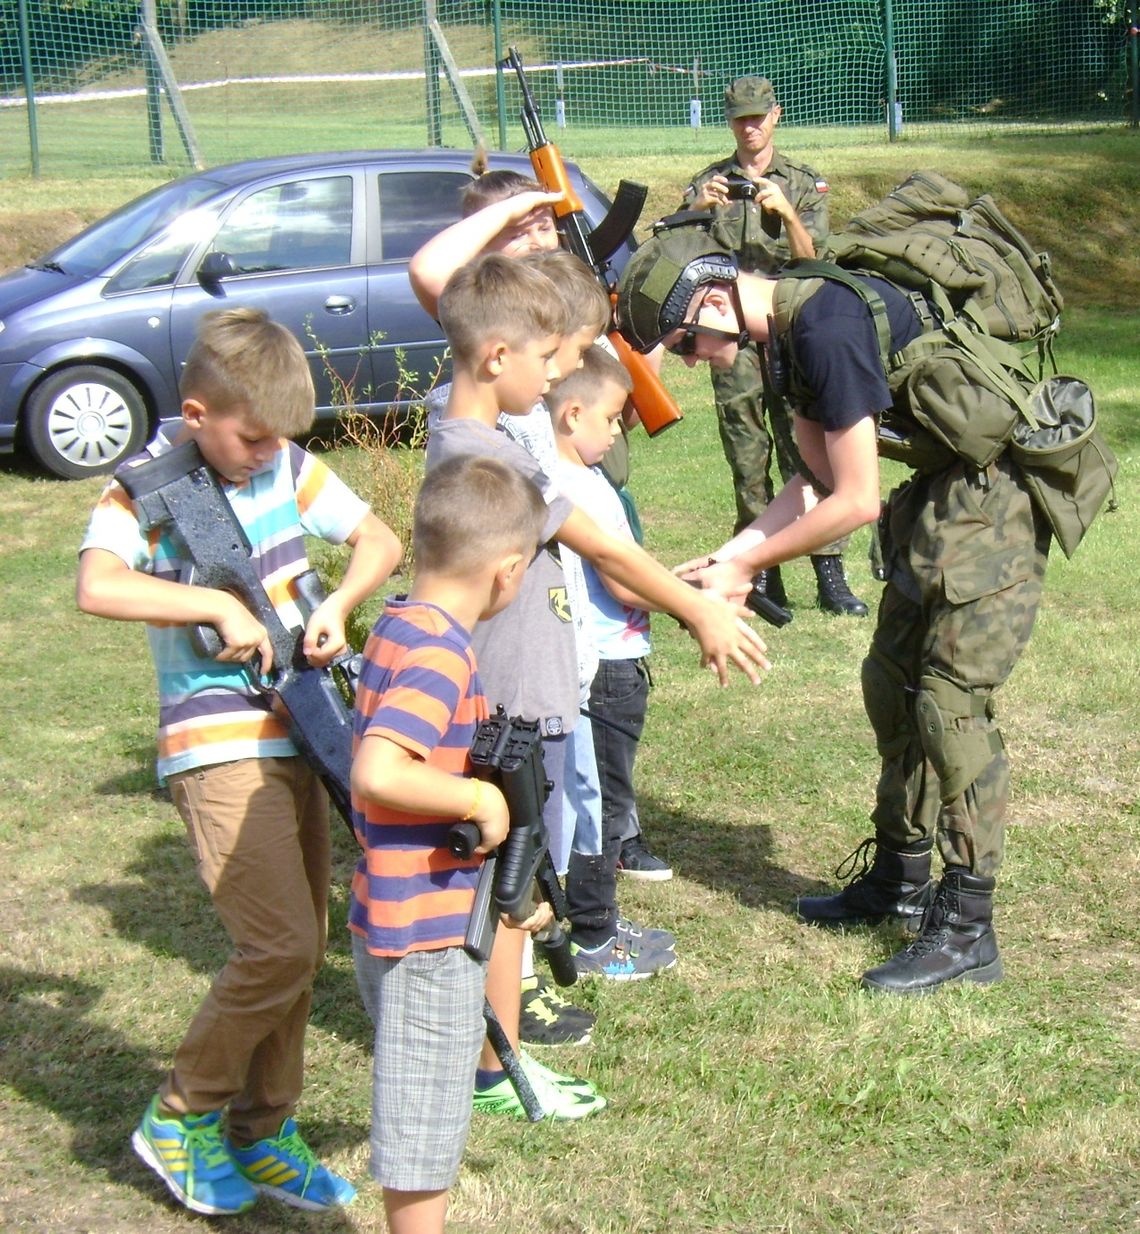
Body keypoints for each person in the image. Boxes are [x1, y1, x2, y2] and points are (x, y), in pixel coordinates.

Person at [614, 220, 1051, 995]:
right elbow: (813, 479)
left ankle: (967, 927)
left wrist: (747, 561)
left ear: (714, 297)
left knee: (950, 702)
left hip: (994, 499)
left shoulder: (824, 323)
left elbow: (854, 501)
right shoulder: (782, 338)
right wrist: (731, 556)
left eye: (684, 342)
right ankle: (900, 877)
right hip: (941, 496)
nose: (688, 361)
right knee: (891, 682)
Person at [76, 306, 402, 1215]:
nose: (265, 454)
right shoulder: (145, 490)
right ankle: (182, 1114)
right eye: (249, 437)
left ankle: (264, 1130)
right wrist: (213, 609)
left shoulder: (289, 466)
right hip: (216, 743)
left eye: (278, 440)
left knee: (301, 947)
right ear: (195, 413)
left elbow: (379, 540)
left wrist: (338, 603)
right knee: (279, 943)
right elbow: (96, 585)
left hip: (300, 727)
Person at [427, 252, 768, 1109]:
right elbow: (603, 548)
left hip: (525, 704)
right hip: (503, 708)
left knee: (514, 882)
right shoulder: (490, 458)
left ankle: (498, 1058)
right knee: (503, 891)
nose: (554, 381)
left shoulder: (493, 439)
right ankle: (490, 1063)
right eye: (547, 361)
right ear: (499, 359)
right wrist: (697, 610)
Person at [349, 454, 574, 1234]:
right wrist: (477, 796)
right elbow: (380, 769)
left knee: (424, 1090)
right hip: (427, 930)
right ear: (509, 573)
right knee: (424, 1116)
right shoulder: (443, 655)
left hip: (394, 903)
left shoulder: (399, 625)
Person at [678, 75, 868, 617]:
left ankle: (830, 572)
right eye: (740, 118)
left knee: (807, 451)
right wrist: (696, 207)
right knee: (746, 451)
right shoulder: (708, 181)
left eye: (758, 116)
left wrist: (785, 213)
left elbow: (817, 263)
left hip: (789, 329)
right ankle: (761, 573)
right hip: (731, 335)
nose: (750, 126)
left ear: (775, 116)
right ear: (729, 121)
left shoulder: (802, 185)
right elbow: (682, 258)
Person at [548, 345, 678, 968]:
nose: (620, 429)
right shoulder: (578, 485)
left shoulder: (580, 475)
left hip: (611, 664)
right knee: (598, 804)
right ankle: (594, 933)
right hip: (606, 672)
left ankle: (594, 918)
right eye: (612, 418)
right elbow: (624, 583)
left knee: (599, 797)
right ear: (572, 414)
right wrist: (687, 595)